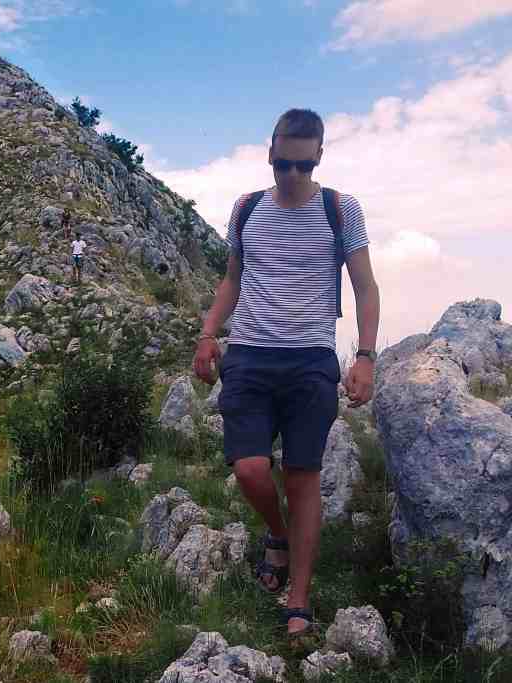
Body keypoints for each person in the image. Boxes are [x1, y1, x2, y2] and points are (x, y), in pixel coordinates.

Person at [192, 109, 380, 638]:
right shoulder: (246, 208)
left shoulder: (341, 209)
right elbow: (232, 278)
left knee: (302, 477)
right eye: (282, 164)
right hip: (248, 356)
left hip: (309, 361)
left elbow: (365, 287)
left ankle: (298, 595)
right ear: (269, 152)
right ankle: (276, 534)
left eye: (302, 164)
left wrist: (365, 356)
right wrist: (209, 333)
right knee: (250, 470)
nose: (292, 175)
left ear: (319, 156)